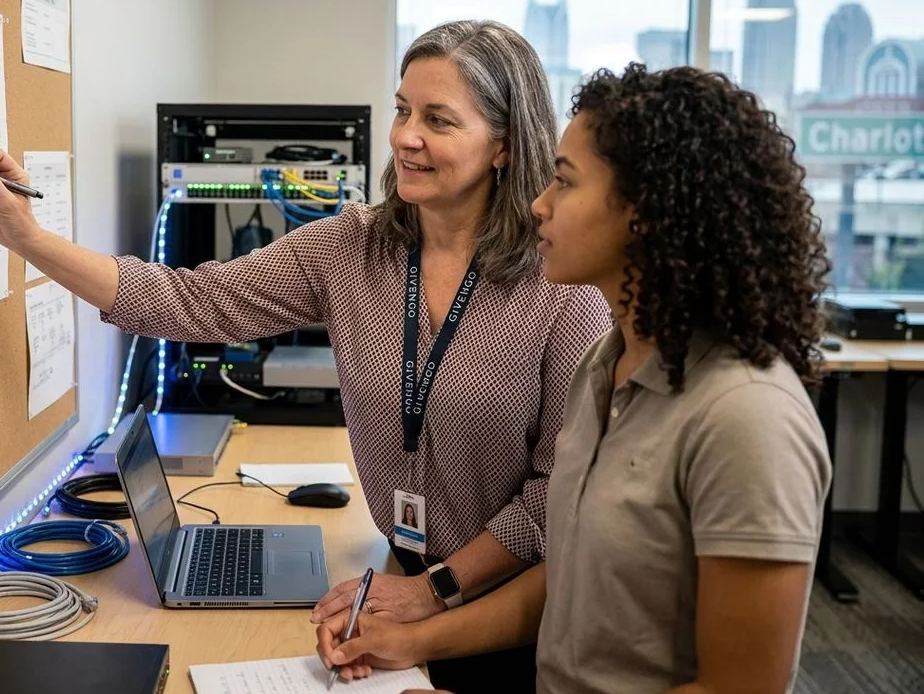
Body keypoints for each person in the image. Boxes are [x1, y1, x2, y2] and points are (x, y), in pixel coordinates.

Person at [0, 20, 612, 693]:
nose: (406, 136)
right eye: (402, 109)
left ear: (502, 146)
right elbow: (191, 301)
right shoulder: (352, 248)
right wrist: (29, 239)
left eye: (438, 120)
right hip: (398, 574)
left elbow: (554, 495)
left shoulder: (562, 285)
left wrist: (439, 589)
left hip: (514, 611)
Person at [315, 63, 833, 694]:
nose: (539, 203)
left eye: (564, 182)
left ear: (648, 214)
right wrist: (413, 642)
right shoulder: (608, 368)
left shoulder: (748, 416)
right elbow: (567, 579)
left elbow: (742, 688)